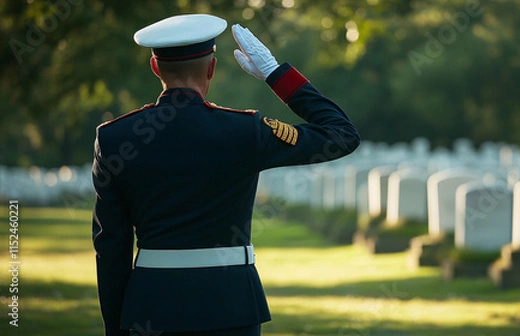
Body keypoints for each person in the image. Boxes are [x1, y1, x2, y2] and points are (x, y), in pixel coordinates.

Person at [92, 13, 360, 336]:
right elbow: (341, 134)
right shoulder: (244, 131)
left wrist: (115, 327)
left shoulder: (115, 138)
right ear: (212, 68)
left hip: (151, 308)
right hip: (231, 307)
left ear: (155, 68)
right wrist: (276, 75)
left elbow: (110, 248)